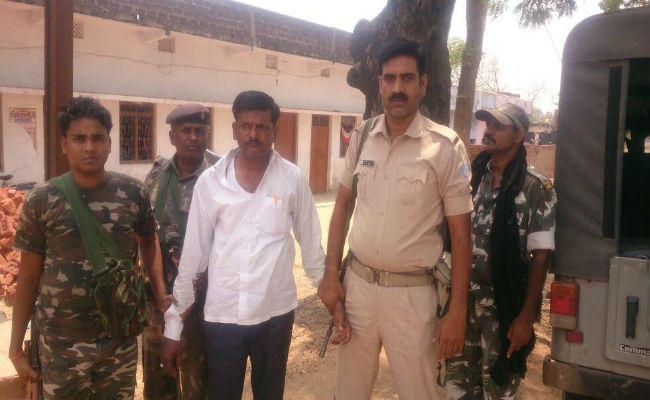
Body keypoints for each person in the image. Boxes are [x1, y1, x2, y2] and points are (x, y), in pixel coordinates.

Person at [318, 37, 474, 400]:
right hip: (358, 289)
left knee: (420, 393)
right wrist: (331, 276)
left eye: (407, 78)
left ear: (423, 84)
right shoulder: (362, 136)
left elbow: (462, 235)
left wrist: (457, 310)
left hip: (413, 297)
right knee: (349, 392)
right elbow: (342, 208)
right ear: (380, 84)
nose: (397, 88)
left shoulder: (445, 147)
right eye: (390, 79)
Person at [160, 90, 325, 400]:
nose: (253, 134)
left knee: (270, 395)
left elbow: (312, 247)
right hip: (223, 317)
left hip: (275, 314)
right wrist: (173, 327)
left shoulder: (292, 179)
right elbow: (194, 257)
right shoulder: (210, 183)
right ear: (234, 129)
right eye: (246, 126)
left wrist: (332, 296)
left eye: (262, 127)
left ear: (275, 131)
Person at [8, 96, 168, 399]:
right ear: (63, 144)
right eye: (79, 138)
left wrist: (160, 293)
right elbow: (28, 276)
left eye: (97, 138)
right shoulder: (42, 200)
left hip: (118, 342)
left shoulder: (133, 193)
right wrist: (16, 347)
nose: (89, 147)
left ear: (109, 143)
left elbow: (149, 242)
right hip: (61, 346)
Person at [444, 103, 556, 399]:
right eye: (488, 124)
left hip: (503, 310)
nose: (489, 130)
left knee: (497, 388)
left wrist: (526, 318)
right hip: (463, 304)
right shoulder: (471, 176)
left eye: (498, 126)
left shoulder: (535, 186)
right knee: (457, 387)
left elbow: (541, 257)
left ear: (519, 135)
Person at [142, 104, 219, 400]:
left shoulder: (221, 177)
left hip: (202, 306)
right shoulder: (157, 175)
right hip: (158, 303)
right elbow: (146, 236)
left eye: (199, 131)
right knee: (157, 385)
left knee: (199, 385)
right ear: (172, 136)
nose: (193, 137)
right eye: (185, 131)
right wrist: (161, 294)